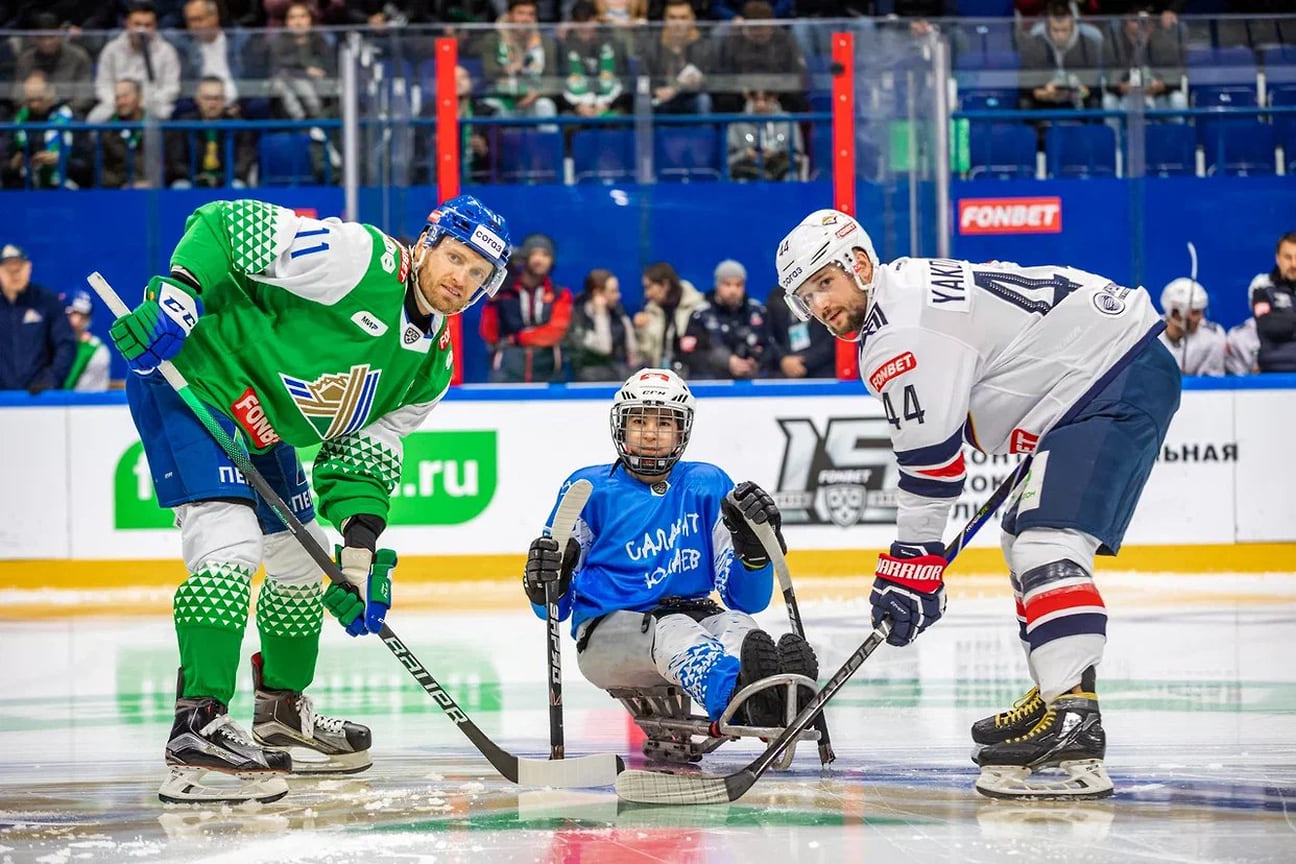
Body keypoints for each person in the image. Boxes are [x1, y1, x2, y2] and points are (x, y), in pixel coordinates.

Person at [105, 194, 514, 804]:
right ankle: (197, 728)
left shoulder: (433, 363)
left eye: (478, 273)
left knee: (304, 561)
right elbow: (225, 223)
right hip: (198, 380)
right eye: (456, 257)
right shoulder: (360, 259)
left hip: (265, 424)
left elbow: (364, 453)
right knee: (229, 540)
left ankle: (280, 714)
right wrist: (179, 295)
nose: (462, 278)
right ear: (428, 243)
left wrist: (359, 554)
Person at [773, 208, 1181, 799]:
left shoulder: (898, 333)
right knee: (1023, 534)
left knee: (1048, 541)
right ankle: (1058, 697)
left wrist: (913, 557)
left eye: (824, 285)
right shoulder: (900, 293)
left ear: (859, 264)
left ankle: (1074, 718)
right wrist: (916, 560)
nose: (819, 307)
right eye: (806, 298)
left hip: (1112, 378)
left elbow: (933, 466)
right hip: (1099, 376)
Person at [521, 367, 818, 728]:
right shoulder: (588, 489)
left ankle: (776, 696)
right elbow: (554, 609)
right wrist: (545, 583)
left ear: (682, 430)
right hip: (608, 635)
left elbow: (747, 600)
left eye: (664, 423)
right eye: (639, 422)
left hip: (694, 615)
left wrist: (754, 553)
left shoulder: (708, 483)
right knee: (675, 629)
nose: (650, 434)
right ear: (621, 427)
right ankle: (741, 699)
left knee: (739, 624)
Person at [479, 233, 573, 383]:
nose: (539, 260)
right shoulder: (504, 292)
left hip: (549, 375)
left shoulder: (560, 294)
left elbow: (555, 332)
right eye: (534, 253)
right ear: (524, 257)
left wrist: (517, 339)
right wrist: (492, 302)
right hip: (506, 375)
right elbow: (489, 335)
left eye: (545, 255)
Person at [680, 259, 781, 379]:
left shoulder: (758, 312)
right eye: (727, 284)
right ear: (717, 285)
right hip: (712, 384)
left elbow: (773, 347)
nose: (733, 290)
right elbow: (689, 355)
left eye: (738, 285)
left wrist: (756, 362)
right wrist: (725, 362)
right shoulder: (701, 315)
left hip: (755, 383)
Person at [87, 1, 182, 123]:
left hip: (153, 106)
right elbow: (102, 85)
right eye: (137, 24)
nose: (141, 30)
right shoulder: (112, 49)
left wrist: (142, 103)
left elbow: (171, 88)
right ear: (127, 24)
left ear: (155, 27)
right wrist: (119, 101)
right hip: (116, 104)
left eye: (148, 25)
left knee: (160, 119)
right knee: (95, 119)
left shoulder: (167, 51)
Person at [0, 244, 76, 394]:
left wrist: (50, 379)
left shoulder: (47, 301)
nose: (15, 274)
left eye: (19, 268)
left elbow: (66, 344)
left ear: (29, 268)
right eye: (9, 270)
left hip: (40, 399)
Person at [165, 76, 257, 188]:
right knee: (180, 187)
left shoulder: (239, 126)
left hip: (226, 181)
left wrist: (220, 179)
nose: (212, 104)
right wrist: (197, 178)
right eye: (207, 98)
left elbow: (243, 163)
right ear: (197, 100)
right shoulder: (183, 125)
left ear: (224, 100)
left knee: (237, 187)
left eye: (217, 98)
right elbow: (176, 162)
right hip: (191, 180)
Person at [1019, 1, 1103, 113]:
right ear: (1048, 26)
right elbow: (1026, 82)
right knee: (1024, 104)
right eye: (1055, 30)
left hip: (1078, 97)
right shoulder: (1034, 45)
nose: (1060, 35)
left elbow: (1093, 83)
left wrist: (1079, 91)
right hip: (1045, 97)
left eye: (1064, 30)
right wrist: (1042, 92)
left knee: (1095, 104)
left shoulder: (1087, 45)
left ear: (1072, 26)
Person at [633, 261, 707, 374]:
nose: (647, 294)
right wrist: (641, 331)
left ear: (665, 285)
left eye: (649, 287)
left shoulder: (698, 307)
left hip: (694, 375)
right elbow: (647, 356)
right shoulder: (650, 311)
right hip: (660, 378)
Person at [566, 268, 637, 382]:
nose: (618, 295)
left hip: (620, 377)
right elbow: (604, 348)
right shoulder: (578, 318)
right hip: (589, 381)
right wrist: (600, 315)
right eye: (613, 291)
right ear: (598, 293)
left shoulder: (619, 313)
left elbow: (633, 350)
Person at [1157, 278, 1225, 376]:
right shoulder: (1148, 333)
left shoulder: (1212, 337)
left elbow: (1210, 383)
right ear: (1175, 313)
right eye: (1195, 312)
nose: (1201, 318)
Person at [766, 283, 836, 378]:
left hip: (822, 370)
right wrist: (783, 359)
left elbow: (832, 339)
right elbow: (768, 335)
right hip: (783, 371)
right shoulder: (776, 298)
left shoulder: (823, 298)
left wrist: (804, 361)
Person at [1249, 231, 1296, 373]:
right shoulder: (1262, 285)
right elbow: (1270, 327)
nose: (1294, 264)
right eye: (1288, 257)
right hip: (1275, 374)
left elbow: (1282, 324)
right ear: (1277, 258)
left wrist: (1286, 316)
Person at [62, 289, 111, 391]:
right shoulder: (46, 343)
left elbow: (88, 395)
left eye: (83, 316)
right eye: (72, 313)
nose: (76, 321)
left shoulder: (97, 351)